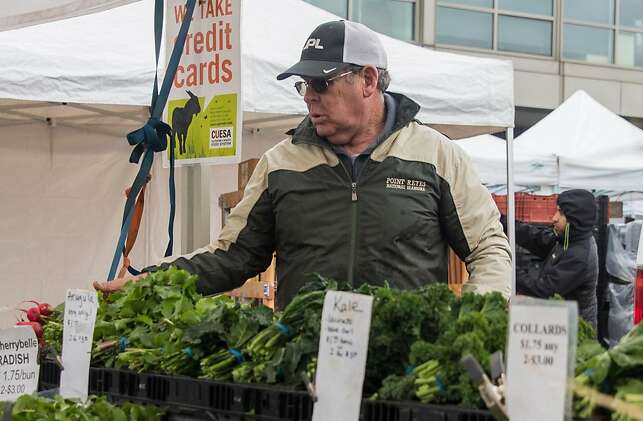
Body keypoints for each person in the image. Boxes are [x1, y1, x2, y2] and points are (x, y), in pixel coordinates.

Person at [96, 20, 511, 306]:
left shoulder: (437, 156)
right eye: (303, 85)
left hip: (404, 364)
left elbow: (489, 250)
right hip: (306, 365)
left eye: (321, 83)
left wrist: (470, 316)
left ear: (368, 80)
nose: (309, 95)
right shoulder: (282, 163)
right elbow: (232, 255)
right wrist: (149, 281)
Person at [511, 189, 599, 330]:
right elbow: (536, 238)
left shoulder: (579, 256)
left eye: (561, 213)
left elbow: (544, 289)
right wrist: (503, 222)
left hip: (574, 332)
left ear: (575, 218)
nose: (554, 218)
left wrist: (509, 271)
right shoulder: (568, 238)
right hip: (559, 323)